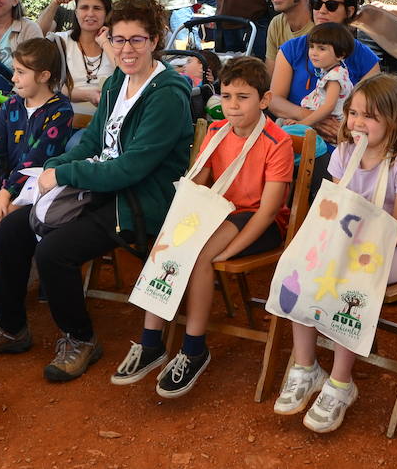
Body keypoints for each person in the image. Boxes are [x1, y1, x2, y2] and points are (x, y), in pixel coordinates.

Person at [0, 0, 193, 382]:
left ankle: (81, 338)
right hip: (100, 188)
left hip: (140, 201)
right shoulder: (116, 84)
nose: (126, 49)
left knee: (56, 250)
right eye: (119, 39)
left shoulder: (167, 94)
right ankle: (10, 326)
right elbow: (93, 142)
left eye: (137, 40)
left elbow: (131, 168)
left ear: (155, 41)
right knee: (12, 227)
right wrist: (53, 167)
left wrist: (64, 176)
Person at [110, 57, 292, 397]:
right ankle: (151, 342)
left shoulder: (276, 140)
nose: (233, 106)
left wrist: (225, 252)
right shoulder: (215, 130)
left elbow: (268, 212)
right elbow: (199, 184)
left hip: (256, 219)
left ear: (264, 100)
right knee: (170, 240)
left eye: (243, 97)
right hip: (219, 213)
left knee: (200, 256)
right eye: (226, 96)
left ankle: (194, 348)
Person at [275, 74, 397, 433]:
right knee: (302, 267)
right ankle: (306, 366)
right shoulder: (345, 152)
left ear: (394, 120)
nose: (358, 123)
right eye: (354, 114)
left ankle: (342, 383)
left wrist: (350, 251)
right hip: (348, 241)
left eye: (370, 117)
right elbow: (330, 204)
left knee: (349, 281)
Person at [0, 38, 75, 236]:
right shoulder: (10, 106)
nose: (13, 79)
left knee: (5, 219)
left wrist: (5, 194)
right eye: (14, 70)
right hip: (5, 184)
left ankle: (15, 264)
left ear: (44, 76)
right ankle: (5, 261)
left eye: (21, 72)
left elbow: (36, 160)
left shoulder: (61, 110)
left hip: (36, 185)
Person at [268, 0, 381, 136]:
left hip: (341, 137)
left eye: (331, 6)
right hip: (297, 132)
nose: (321, 10)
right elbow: (274, 101)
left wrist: (343, 128)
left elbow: (370, 110)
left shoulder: (366, 59)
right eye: (316, 4)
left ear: (349, 11)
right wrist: (312, 118)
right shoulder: (292, 49)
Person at [45, 0, 116, 115]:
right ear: (76, 12)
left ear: (107, 14)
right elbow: (51, 86)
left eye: (97, 8)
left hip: (109, 124)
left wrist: (105, 44)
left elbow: (127, 75)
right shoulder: (61, 41)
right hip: (64, 124)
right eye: (84, 7)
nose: (90, 13)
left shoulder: (117, 44)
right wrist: (54, 3)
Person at [288, 22, 355, 129]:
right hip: (320, 122)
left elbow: (328, 106)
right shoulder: (336, 71)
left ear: (340, 54)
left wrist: (303, 124)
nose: (314, 53)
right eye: (311, 47)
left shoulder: (334, 78)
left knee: (284, 129)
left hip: (329, 126)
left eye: (322, 48)